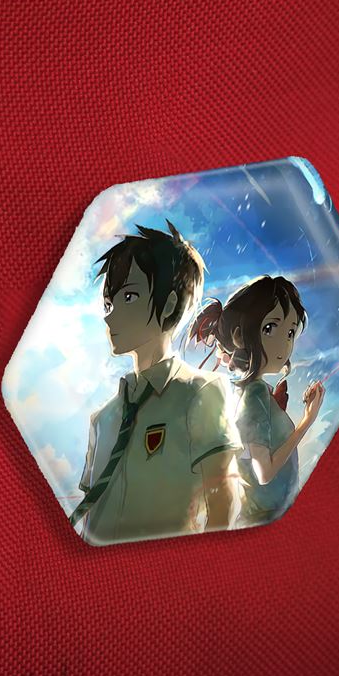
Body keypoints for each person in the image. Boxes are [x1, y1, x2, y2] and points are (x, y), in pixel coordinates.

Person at [70, 220, 242, 545]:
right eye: (109, 303)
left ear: (170, 304)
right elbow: (91, 518)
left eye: (130, 296)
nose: (110, 315)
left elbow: (223, 501)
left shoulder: (201, 393)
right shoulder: (103, 420)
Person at [190, 275, 325, 528]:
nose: (284, 344)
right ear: (240, 336)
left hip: (267, 514)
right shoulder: (253, 395)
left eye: (290, 332)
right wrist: (307, 421)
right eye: (270, 328)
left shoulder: (253, 391)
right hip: (265, 517)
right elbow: (264, 473)